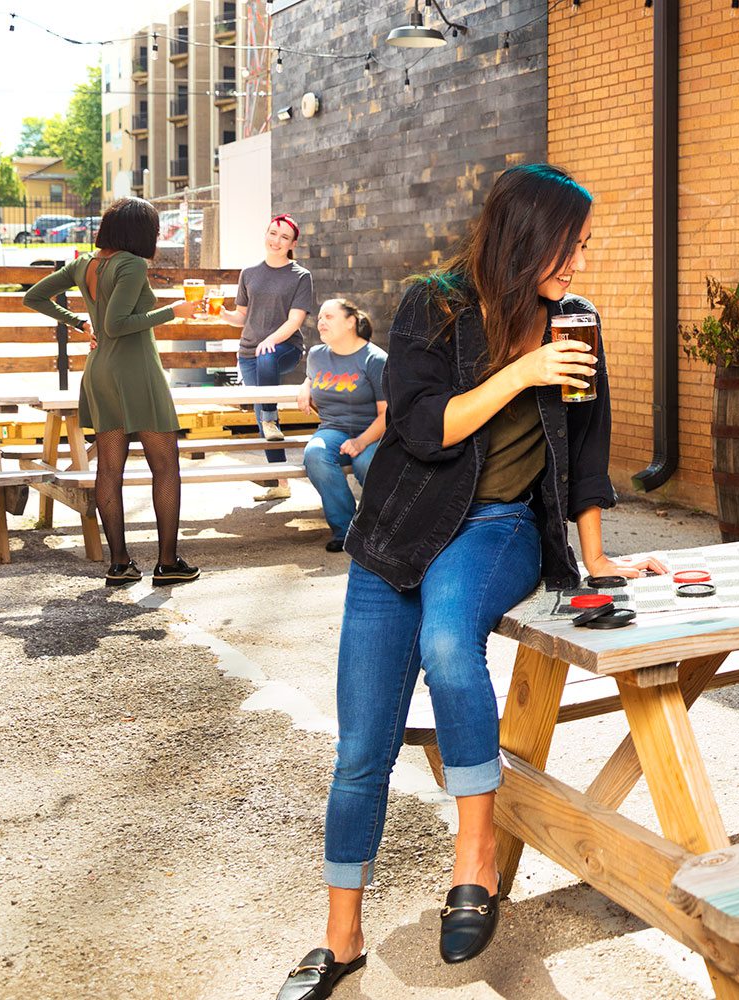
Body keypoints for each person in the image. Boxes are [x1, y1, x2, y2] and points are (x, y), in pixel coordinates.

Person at [276, 164, 667, 1000]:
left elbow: (589, 448)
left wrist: (596, 555)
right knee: (360, 751)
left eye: (587, 248)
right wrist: (521, 373)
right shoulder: (435, 304)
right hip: (398, 529)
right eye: (573, 246)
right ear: (528, 236)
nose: (581, 265)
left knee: (452, 642)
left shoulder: (577, 320)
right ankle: (339, 937)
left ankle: (476, 861)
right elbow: (421, 428)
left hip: (495, 528)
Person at [23, 197, 202, 587]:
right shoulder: (132, 264)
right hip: (135, 371)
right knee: (165, 465)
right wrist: (175, 311)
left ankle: (120, 564)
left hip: (100, 370)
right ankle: (167, 563)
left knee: (109, 468)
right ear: (140, 233)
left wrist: (78, 324)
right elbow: (120, 324)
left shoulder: (84, 263)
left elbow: (33, 296)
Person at [220, 213, 316, 500]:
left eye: (284, 237)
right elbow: (241, 317)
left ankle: (272, 417)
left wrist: (270, 340)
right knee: (263, 418)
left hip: (284, 348)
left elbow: (295, 321)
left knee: (267, 370)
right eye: (273, 233)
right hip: (249, 353)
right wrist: (222, 315)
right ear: (266, 234)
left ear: (292, 243)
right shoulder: (249, 273)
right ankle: (281, 483)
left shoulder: (300, 276)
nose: (276, 240)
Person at [296, 298, 387, 553]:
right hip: (333, 429)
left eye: (329, 317)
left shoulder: (375, 359)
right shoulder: (316, 355)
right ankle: (346, 530)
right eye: (320, 317)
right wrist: (305, 385)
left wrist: (361, 441)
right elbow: (312, 376)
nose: (321, 322)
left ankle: (378, 527)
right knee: (315, 454)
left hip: (374, 430)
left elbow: (387, 415)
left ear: (350, 322)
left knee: (364, 462)